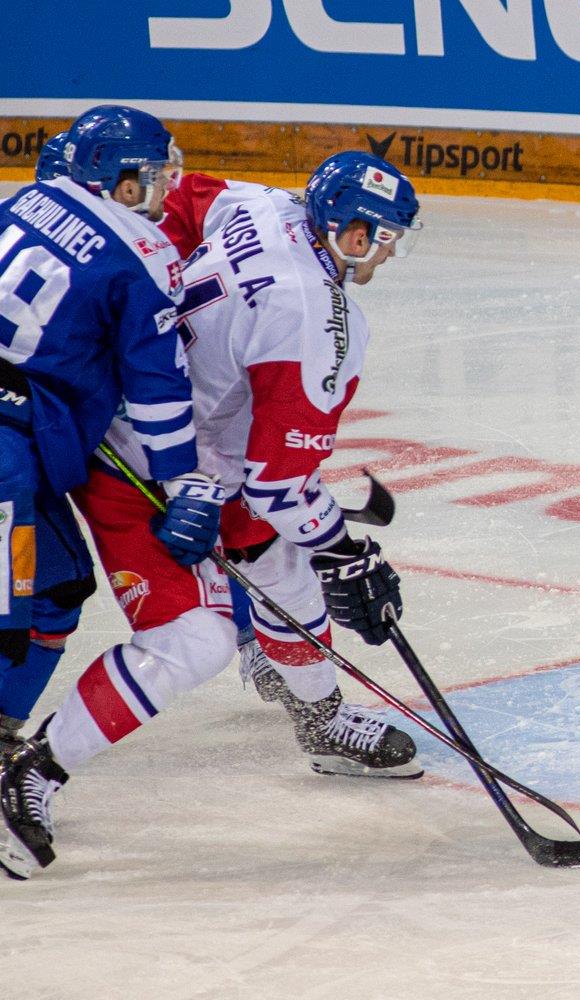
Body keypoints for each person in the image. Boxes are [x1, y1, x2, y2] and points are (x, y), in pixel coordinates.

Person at [0, 147, 425, 880]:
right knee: (196, 640)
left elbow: (177, 202)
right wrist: (345, 551)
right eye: (382, 238)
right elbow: (278, 487)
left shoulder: (260, 202)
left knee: (285, 570)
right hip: (152, 471)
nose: (385, 254)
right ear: (353, 235)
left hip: (140, 426)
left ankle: (321, 722)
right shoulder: (322, 327)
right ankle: (35, 767)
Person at [0, 105, 225, 878]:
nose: (164, 187)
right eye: (155, 174)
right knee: (7, 609)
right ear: (120, 180)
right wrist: (183, 481)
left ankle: (10, 751)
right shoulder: (141, 250)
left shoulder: (23, 200)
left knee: (57, 587)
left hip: (16, 436)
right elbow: (159, 389)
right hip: (3, 454)